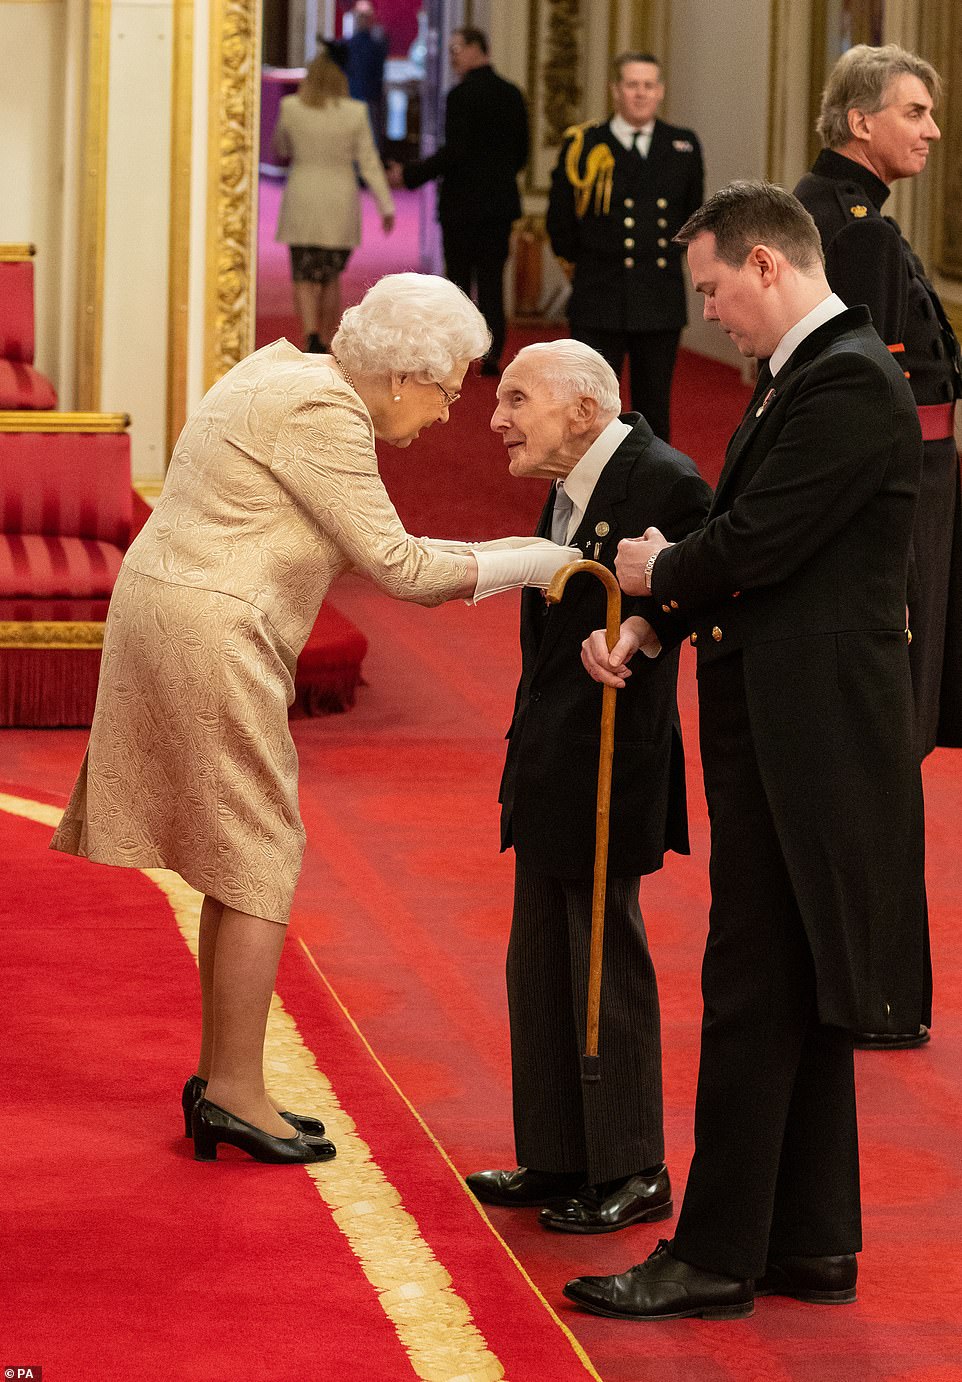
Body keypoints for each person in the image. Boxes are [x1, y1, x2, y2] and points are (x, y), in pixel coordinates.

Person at [50, 274, 578, 1167]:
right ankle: (233, 1089)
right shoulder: (326, 414)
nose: (450, 412)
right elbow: (400, 566)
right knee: (259, 849)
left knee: (235, 850)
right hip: (213, 628)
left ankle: (227, 1079)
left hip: (171, 610)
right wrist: (532, 559)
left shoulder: (280, 369)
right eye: (450, 390)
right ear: (405, 377)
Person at [570, 182, 925, 1320]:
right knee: (795, 979)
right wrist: (652, 618)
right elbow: (753, 541)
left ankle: (715, 1253)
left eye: (713, 288)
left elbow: (755, 540)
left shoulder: (850, 380)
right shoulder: (807, 375)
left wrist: (651, 576)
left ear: (767, 265)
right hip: (795, 723)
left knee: (750, 983)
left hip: (813, 734)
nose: (708, 312)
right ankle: (812, 1242)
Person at [465, 340, 711, 1232]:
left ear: (583, 409)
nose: (497, 418)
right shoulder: (575, 477)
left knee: (606, 958)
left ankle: (631, 1164)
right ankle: (557, 1155)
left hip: (614, 756)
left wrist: (641, 631)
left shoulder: (664, 479)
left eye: (517, 400)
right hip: (551, 752)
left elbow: (698, 585)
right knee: (539, 957)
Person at [793, 43, 962, 1050]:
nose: (930, 131)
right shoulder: (850, 233)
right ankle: (876, 988)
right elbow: (873, 406)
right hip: (903, 511)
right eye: (913, 112)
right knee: (883, 743)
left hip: (912, 498)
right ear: (859, 121)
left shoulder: (845, 217)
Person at [545, 52, 704, 442]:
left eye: (649, 85)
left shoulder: (682, 145)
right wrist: (584, 266)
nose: (640, 94)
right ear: (615, 90)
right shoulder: (585, 144)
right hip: (599, 295)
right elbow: (560, 221)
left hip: (659, 298)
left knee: (654, 410)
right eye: (632, 85)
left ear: (661, 92)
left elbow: (694, 218)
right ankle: (587, 491)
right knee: (590, 409)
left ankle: (654, 493)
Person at [387, 27, 529, 376]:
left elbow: (455, 153)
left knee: (460, 283)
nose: (452, 56)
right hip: (498, 205)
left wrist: (409, 175)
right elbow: (522, 154)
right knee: (493, 281)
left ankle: (458, 355)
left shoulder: (461, 95)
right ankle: (494, 354)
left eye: (457, 49)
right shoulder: (512, 94)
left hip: (463, 205)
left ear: (480, 49)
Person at [272, 50, 395, 354]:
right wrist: (386, 204)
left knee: (302, 273)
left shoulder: (291, 107)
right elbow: (368, 161)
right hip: (340, 200)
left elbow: (280, 146)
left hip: (303, 197)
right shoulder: (355, 112)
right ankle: (325, 338)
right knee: (329, 276)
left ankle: (309, 333)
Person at [343, 1, 389, 152]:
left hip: (370, 99)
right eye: (360, 16)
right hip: (352, 97)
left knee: (370, 141)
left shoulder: (377, 42)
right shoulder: (349, 45)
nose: (363, 19)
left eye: (366, 16)